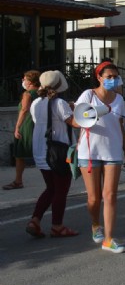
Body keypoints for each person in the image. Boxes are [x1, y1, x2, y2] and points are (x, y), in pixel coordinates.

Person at [75, 62, 125, 253]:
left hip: (113, 152)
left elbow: (121, 127)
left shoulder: (119, 99)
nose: (113, 80)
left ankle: (108, 239)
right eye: (109, 77)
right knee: (94, 198)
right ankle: (95, 224)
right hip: (89, 152)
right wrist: (93, 113)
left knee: (110, 196)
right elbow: (76, 121)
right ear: (99, 77)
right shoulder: (88, 95)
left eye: (115, 76)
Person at [25, 70, 79, 238]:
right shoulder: (59, 103)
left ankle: (35, 219)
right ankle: (57, 226)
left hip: (41, 151)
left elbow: (42, 121)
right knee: (61, 190)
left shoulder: (36, 103)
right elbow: (74, 123)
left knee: (50, 188)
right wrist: (82, 112)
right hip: (59, 151)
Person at [4, 70, 40, 190]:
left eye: (24, 79)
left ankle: (18, 180)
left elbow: (24, 110)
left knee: (20, 154)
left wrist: (17, 126)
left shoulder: (28, 94)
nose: (22, 81)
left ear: (30, 82)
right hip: (37, 125)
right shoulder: (41, 93)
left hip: (27, 125)